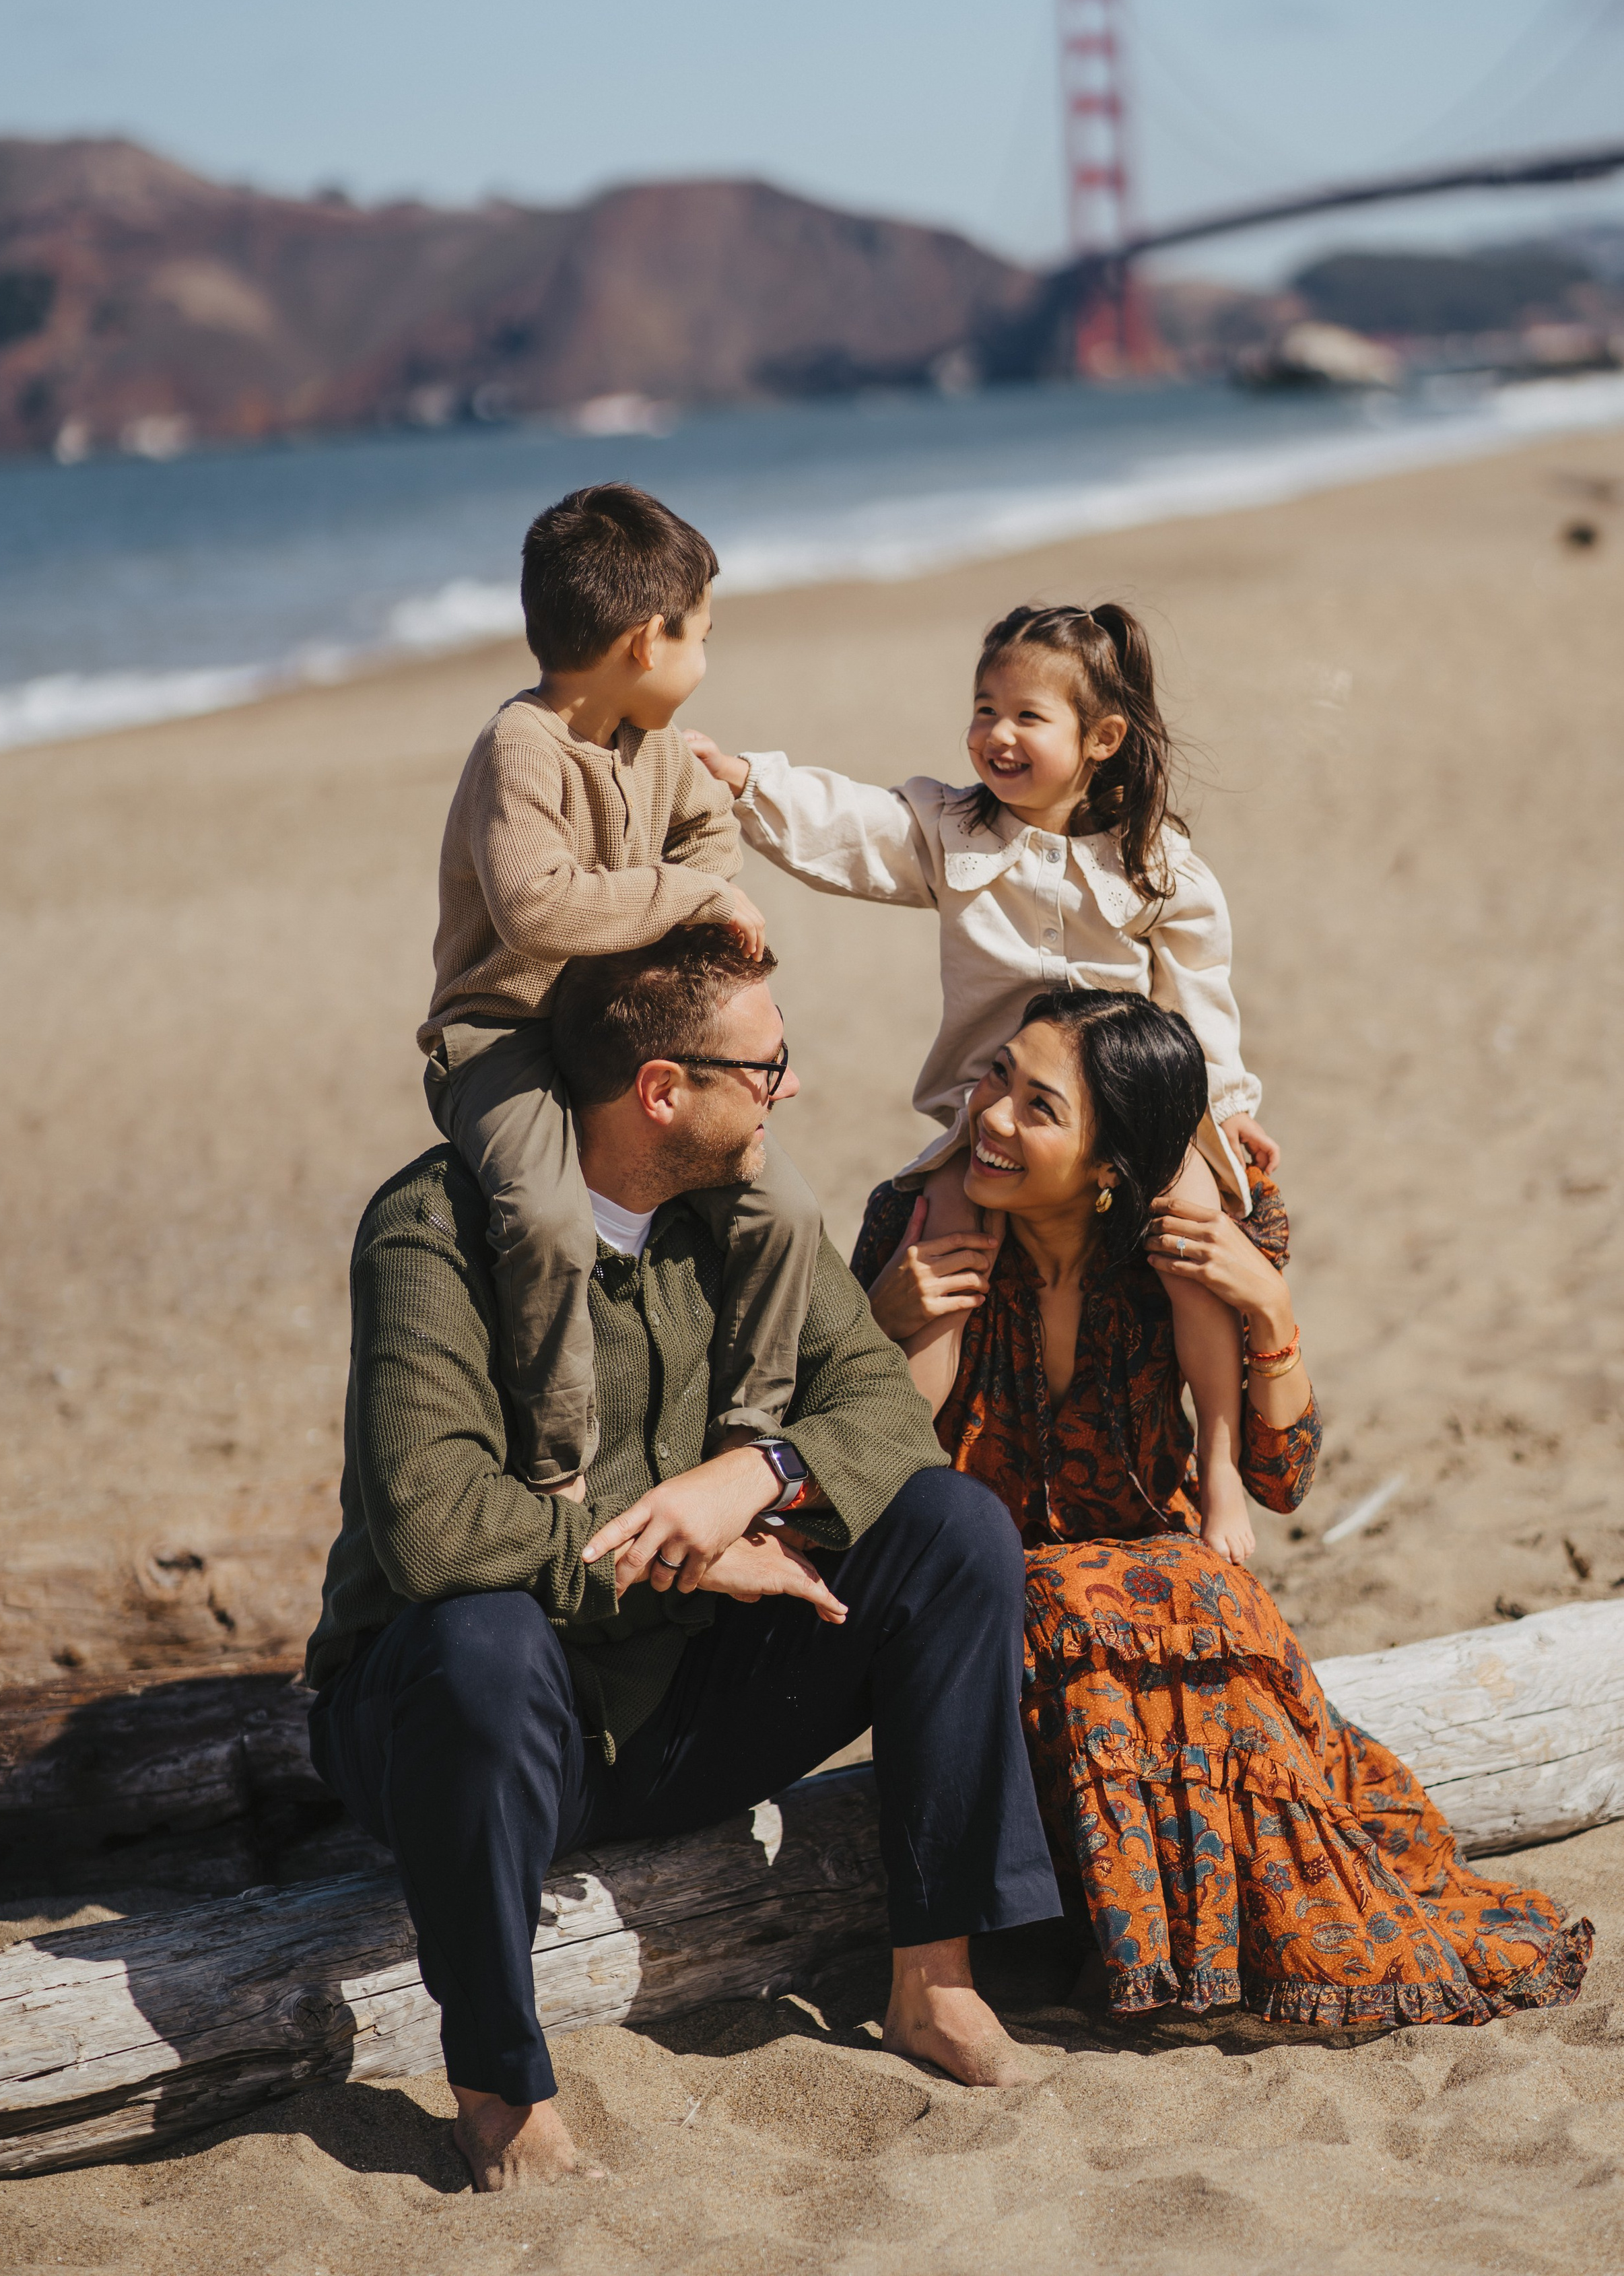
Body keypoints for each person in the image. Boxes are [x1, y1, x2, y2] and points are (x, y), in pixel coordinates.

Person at [308, 927, 1063, 2193]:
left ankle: (935, 1983)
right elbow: (435, 1526)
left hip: (682, 1706)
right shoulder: (432, 1227)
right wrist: (687, 1554)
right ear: (664, 1089)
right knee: (480, 1638)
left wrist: (753, 1477)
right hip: (477, 1728)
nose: (793, 1087)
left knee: (954, 1532)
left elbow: (880, 1407)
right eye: (767, 1066)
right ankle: (499, 2087)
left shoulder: (748, 1224)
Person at [854, 984, 1593, 2032]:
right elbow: (877, 1474)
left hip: (1160, 1607)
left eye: (1038, 1106)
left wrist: (1273, 1309)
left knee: (1208, 1599)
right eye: (997, 1077)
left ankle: (1200, 1954)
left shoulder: (1194, 1241)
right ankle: (1129, 1948)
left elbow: (1281, 1481)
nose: (992, 1115)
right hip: (980, 1613)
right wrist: (884, 1319)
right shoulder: (918, 1221)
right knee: (1089, 1599)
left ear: (1112, 1170)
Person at [688, 599, 1271, 1566]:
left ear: (1102, 739)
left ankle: (1216, 1467)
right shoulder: (953, 831)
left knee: (1194, 1242)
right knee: (945, 1261)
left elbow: (1200, 999)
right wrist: (748, 782)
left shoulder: (1159, 868)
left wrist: (1233, 1111)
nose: (996, 735)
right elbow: (854, 825)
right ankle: (894, 1484)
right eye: (983, 707)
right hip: (990, 1116)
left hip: (1125, 1115)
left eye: (1027, 716)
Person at [419, 480, 822, 1500]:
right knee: (549, 1221)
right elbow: (541, 913)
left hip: (619, 1026)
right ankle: (560, 1470)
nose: (705, 659)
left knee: (785, 1208)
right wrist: (691, 894)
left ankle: (747, 1436)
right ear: (648, 643)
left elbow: (713, 835)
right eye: (704, 637)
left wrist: (694, 899)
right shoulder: (521, 749)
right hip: (504, 1033)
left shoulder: (656, 751)